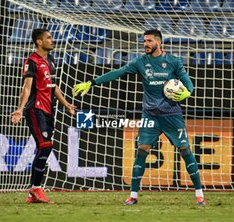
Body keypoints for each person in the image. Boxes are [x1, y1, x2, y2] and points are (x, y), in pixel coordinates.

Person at [73, 29, 205, 206]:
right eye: (144, 41)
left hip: (172, 115)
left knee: (185, 150)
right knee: (142, 150)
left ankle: (199, 194)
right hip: (150, 115)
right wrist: (92, 82)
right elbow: (118, 72)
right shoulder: (140, 62)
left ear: (159, 42)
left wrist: (186, 93)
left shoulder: (173, 62)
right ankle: (133, 195)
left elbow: (188, 84)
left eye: (149, 41)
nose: (146, 44)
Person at [11, 28, 76, 204]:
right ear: (39, 41)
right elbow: (27, 87)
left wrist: (66, 104)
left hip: (49, 110)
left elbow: (53, 87)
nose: (52, 40)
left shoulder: (51, 60)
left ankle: (34, 191)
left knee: (44, 147)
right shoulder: (31, 61)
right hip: (35, 109)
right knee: (45, 145)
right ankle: (36, 188)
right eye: (48, 38)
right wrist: (19, 109)